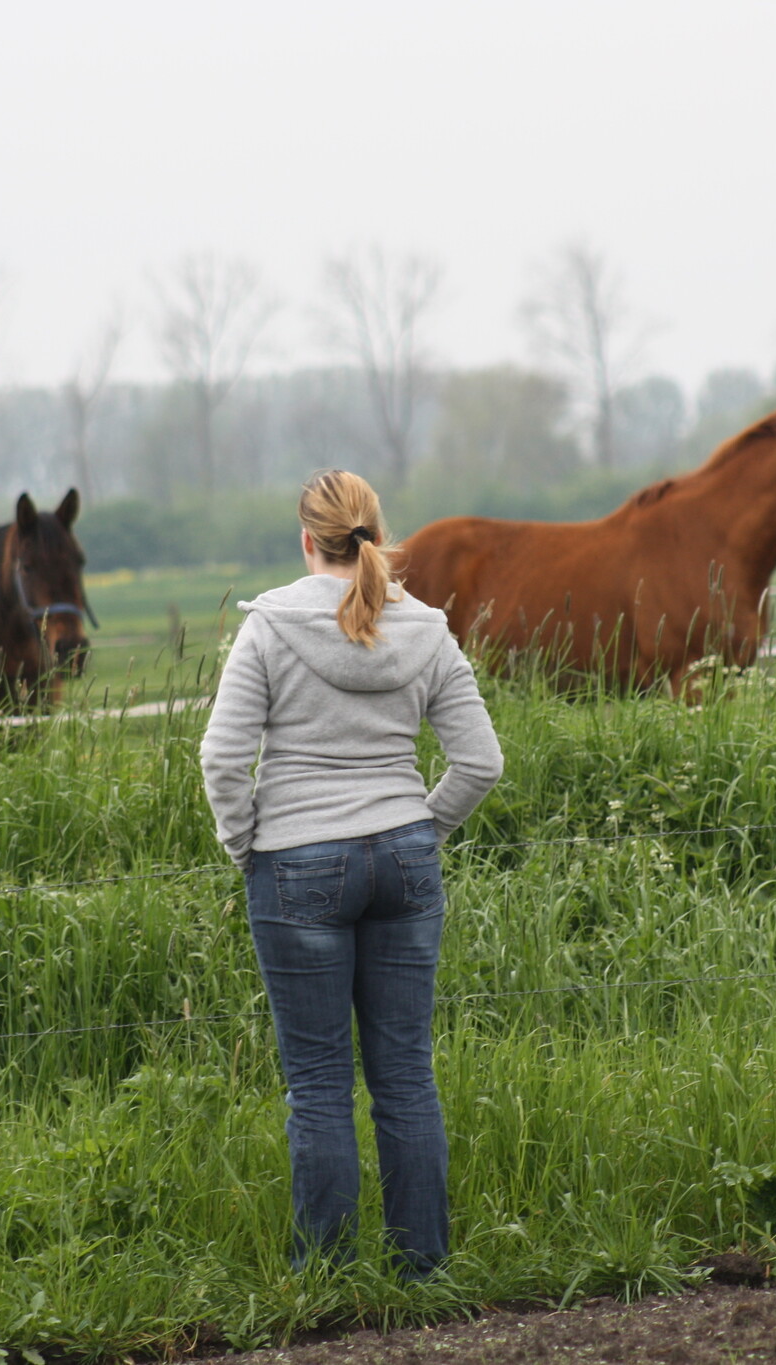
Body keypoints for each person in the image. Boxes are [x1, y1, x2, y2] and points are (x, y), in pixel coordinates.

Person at [199, 469, 504, 1279]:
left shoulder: (269, 627)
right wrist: (419, 829)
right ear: (376, 532)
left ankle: (326, 1280)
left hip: (296, 865)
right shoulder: (428, 629)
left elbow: (223, 758)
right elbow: (480, 761)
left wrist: (248, 847)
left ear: (307, 541)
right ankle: (422, 1274)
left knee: (320, 1083)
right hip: (403, 857)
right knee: (405, 1073)